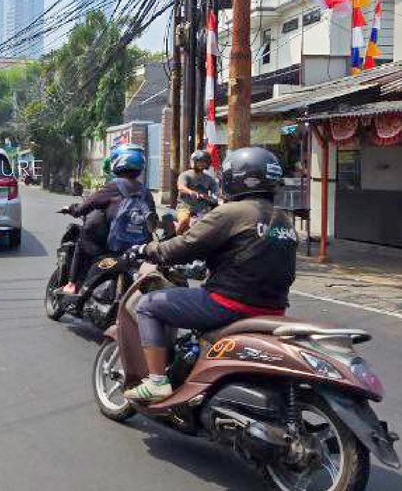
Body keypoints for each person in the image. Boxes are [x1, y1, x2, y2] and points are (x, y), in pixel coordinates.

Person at [123, 146, 300, 402]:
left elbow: (182, 247)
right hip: (272, 309)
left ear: (234, 179)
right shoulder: (283, 219)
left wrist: (146, 249)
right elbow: (250, 255)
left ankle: (157, 382)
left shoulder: (232, 212)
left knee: (149, 305)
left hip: (229, 304)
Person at [59, 146, 152, 296]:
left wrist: (73, 209)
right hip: (137, 246)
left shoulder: (114, 186)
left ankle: (72, 284)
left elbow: (87, 205)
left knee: (82, 241)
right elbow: (151, 219)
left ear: (118, 163)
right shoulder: (145, 191)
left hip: (111, 242)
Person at [175, 149, 219, 230]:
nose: (202, 164)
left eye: (204, 162)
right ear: (194, 162)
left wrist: (215, 197)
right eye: (199, 161)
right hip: (185, 207)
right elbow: (181, 187)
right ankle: (179, 238)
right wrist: (191, 192)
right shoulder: (185, 175)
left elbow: (215, 191)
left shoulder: (209, 179)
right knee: (184, 220)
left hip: (202, 209)